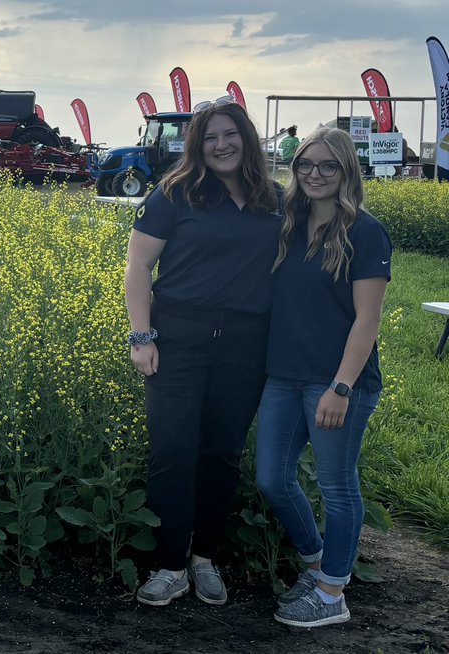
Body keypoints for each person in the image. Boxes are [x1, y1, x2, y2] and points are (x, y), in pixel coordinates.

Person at [124, 96, 281, 607]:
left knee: (222, 453)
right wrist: (142, 336)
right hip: (179, 339)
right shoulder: (174, 193)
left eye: (230, 134)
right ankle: (170, 565)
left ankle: (205, 557)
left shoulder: (274, 199)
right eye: (210, 137)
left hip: (245, 344)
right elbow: (138, 267)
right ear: (197, 145)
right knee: (172, 451)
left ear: (246, 139)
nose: (221, 145)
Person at [256, 127, 391, 628]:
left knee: (337, 486)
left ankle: (333, 592)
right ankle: (316, 564)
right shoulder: (288, 224)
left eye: (328, 165)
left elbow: (368, 320)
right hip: (284, 376)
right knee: (272, 478)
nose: (315, 174)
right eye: (305, 164)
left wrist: (341, 386)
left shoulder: (364, 231)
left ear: (346, 170)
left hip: (337, 382)